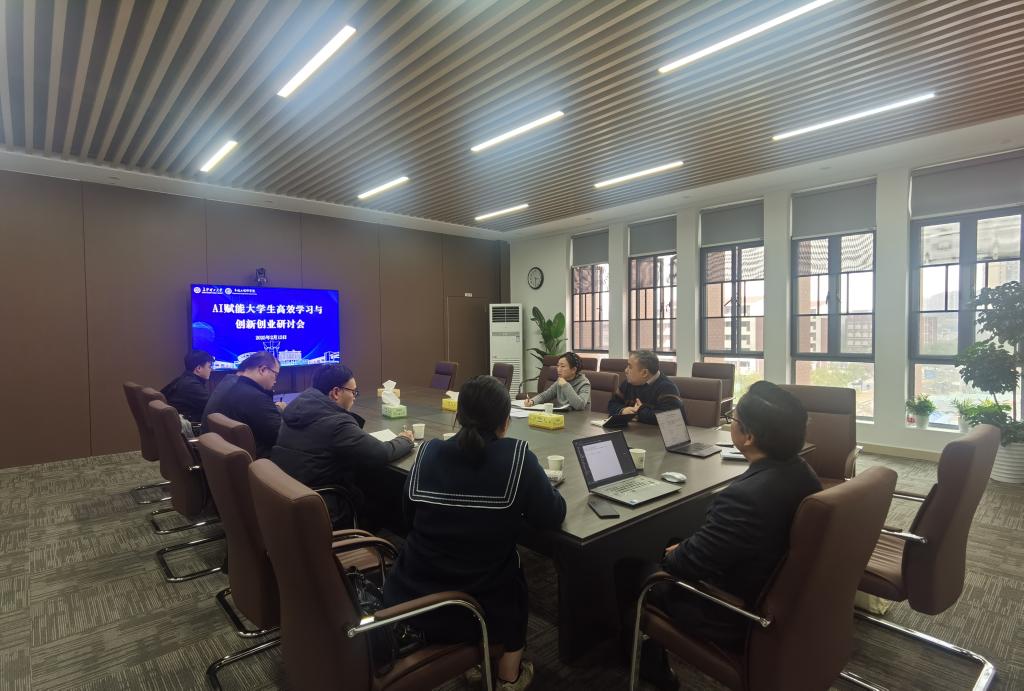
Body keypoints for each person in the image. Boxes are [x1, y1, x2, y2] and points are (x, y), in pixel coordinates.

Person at [614, 381, 822, 690]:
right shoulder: (803, 472)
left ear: (748, 437)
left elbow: (682, 566)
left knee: (628, 567)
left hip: (733, 613)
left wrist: (677, 553)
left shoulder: (746, 497)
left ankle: (645, 662)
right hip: (781, 596)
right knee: (674, 538)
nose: (731, 423)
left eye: (734, 419)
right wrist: (687, 545)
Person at [383, 376, 566, 691]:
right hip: (481, 603)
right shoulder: (517, 456)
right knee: (514, 577)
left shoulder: (428, 451)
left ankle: (474, 661)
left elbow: (408, 515)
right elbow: (551, 515)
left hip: (412, 593)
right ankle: (508, 676)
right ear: (505, 422)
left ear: (458, 415)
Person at [271, 364, 414, 527]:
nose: (354, 397)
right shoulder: (336, 423)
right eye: (353, 392)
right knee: (381, 497)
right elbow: (380, 453)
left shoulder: (296, 407)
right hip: (325, 505)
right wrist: (405, 440)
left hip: (291, 496)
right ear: (336, 392)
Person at [202, 351, 282, 459]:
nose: (276, 380)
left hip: (230, 459)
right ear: (263, 370)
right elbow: (281, 437)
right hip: (261, 462)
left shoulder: (231, 387)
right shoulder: (256, 399)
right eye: (275, 374)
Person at [607, 350, 681, 424]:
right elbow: (612, 404)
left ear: (644, 373)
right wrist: (623, 410)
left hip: (653, 431)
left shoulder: (668, 388)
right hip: (633, 429)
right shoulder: (628, 383)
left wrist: (639, 412)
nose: (626, 370)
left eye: (630, 367)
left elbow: (669, 418)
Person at [523, 351, 591, 410]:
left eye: (562, 366)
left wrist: (565, 385)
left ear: (573, 370)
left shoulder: (584, 384)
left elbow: (579, 405)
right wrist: (532, 401)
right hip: (563, 416)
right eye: (558, 366)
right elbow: (545, 396)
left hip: (580, 418)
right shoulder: (560, 380)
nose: (558, 369)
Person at [160, 350, 213, 423]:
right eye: (209, 367)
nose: (211, 370)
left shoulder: (181, 379)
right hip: (187, 426)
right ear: (198, 368)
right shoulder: (192, 385)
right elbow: (213, 407)